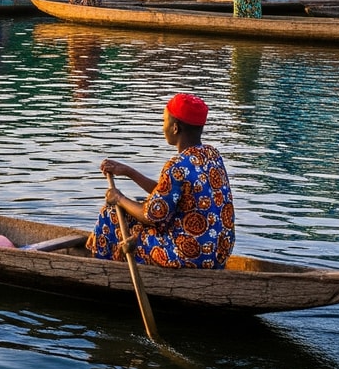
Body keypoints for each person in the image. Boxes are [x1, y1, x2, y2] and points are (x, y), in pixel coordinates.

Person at [87, 93, 235, 270]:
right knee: (132, 222)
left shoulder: (176, 166)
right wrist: (128, 171)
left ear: (175, 128)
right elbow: (167, 195)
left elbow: (151, 216)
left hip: (191, 256)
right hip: (218, 252)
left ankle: (100, 269)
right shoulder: (212, 155)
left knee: (111, 213)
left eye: (164, 121)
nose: (162, 126)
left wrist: (118, 198)